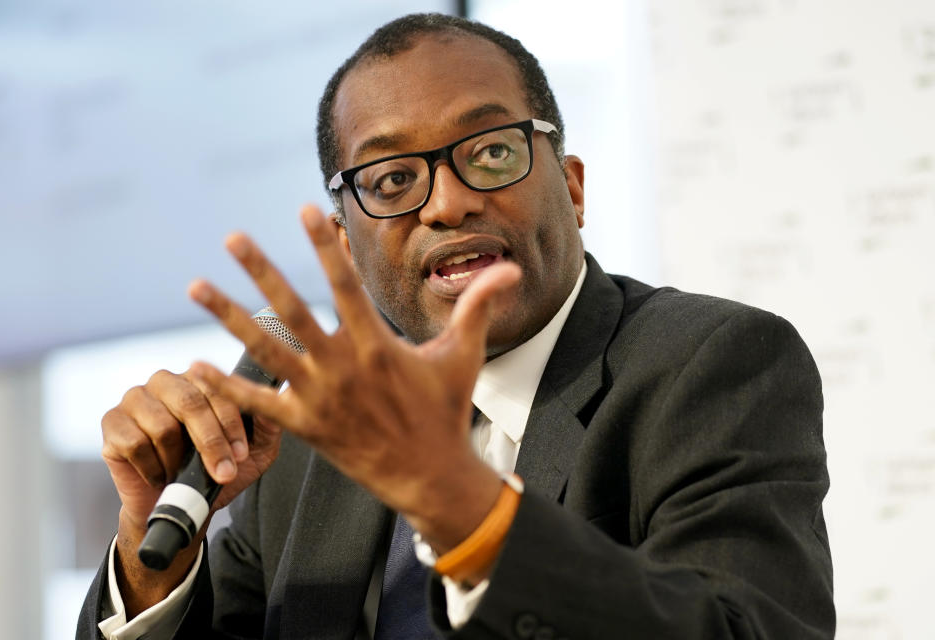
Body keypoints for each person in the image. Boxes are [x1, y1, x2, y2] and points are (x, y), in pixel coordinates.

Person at [77, 12, 834, 640]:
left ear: (571, 188)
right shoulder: (310, 446)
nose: (445, 204)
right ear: (348, 244)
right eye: (393, 179)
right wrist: (155, 558)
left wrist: (457, 505)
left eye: (492, 152)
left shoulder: (712, 363)